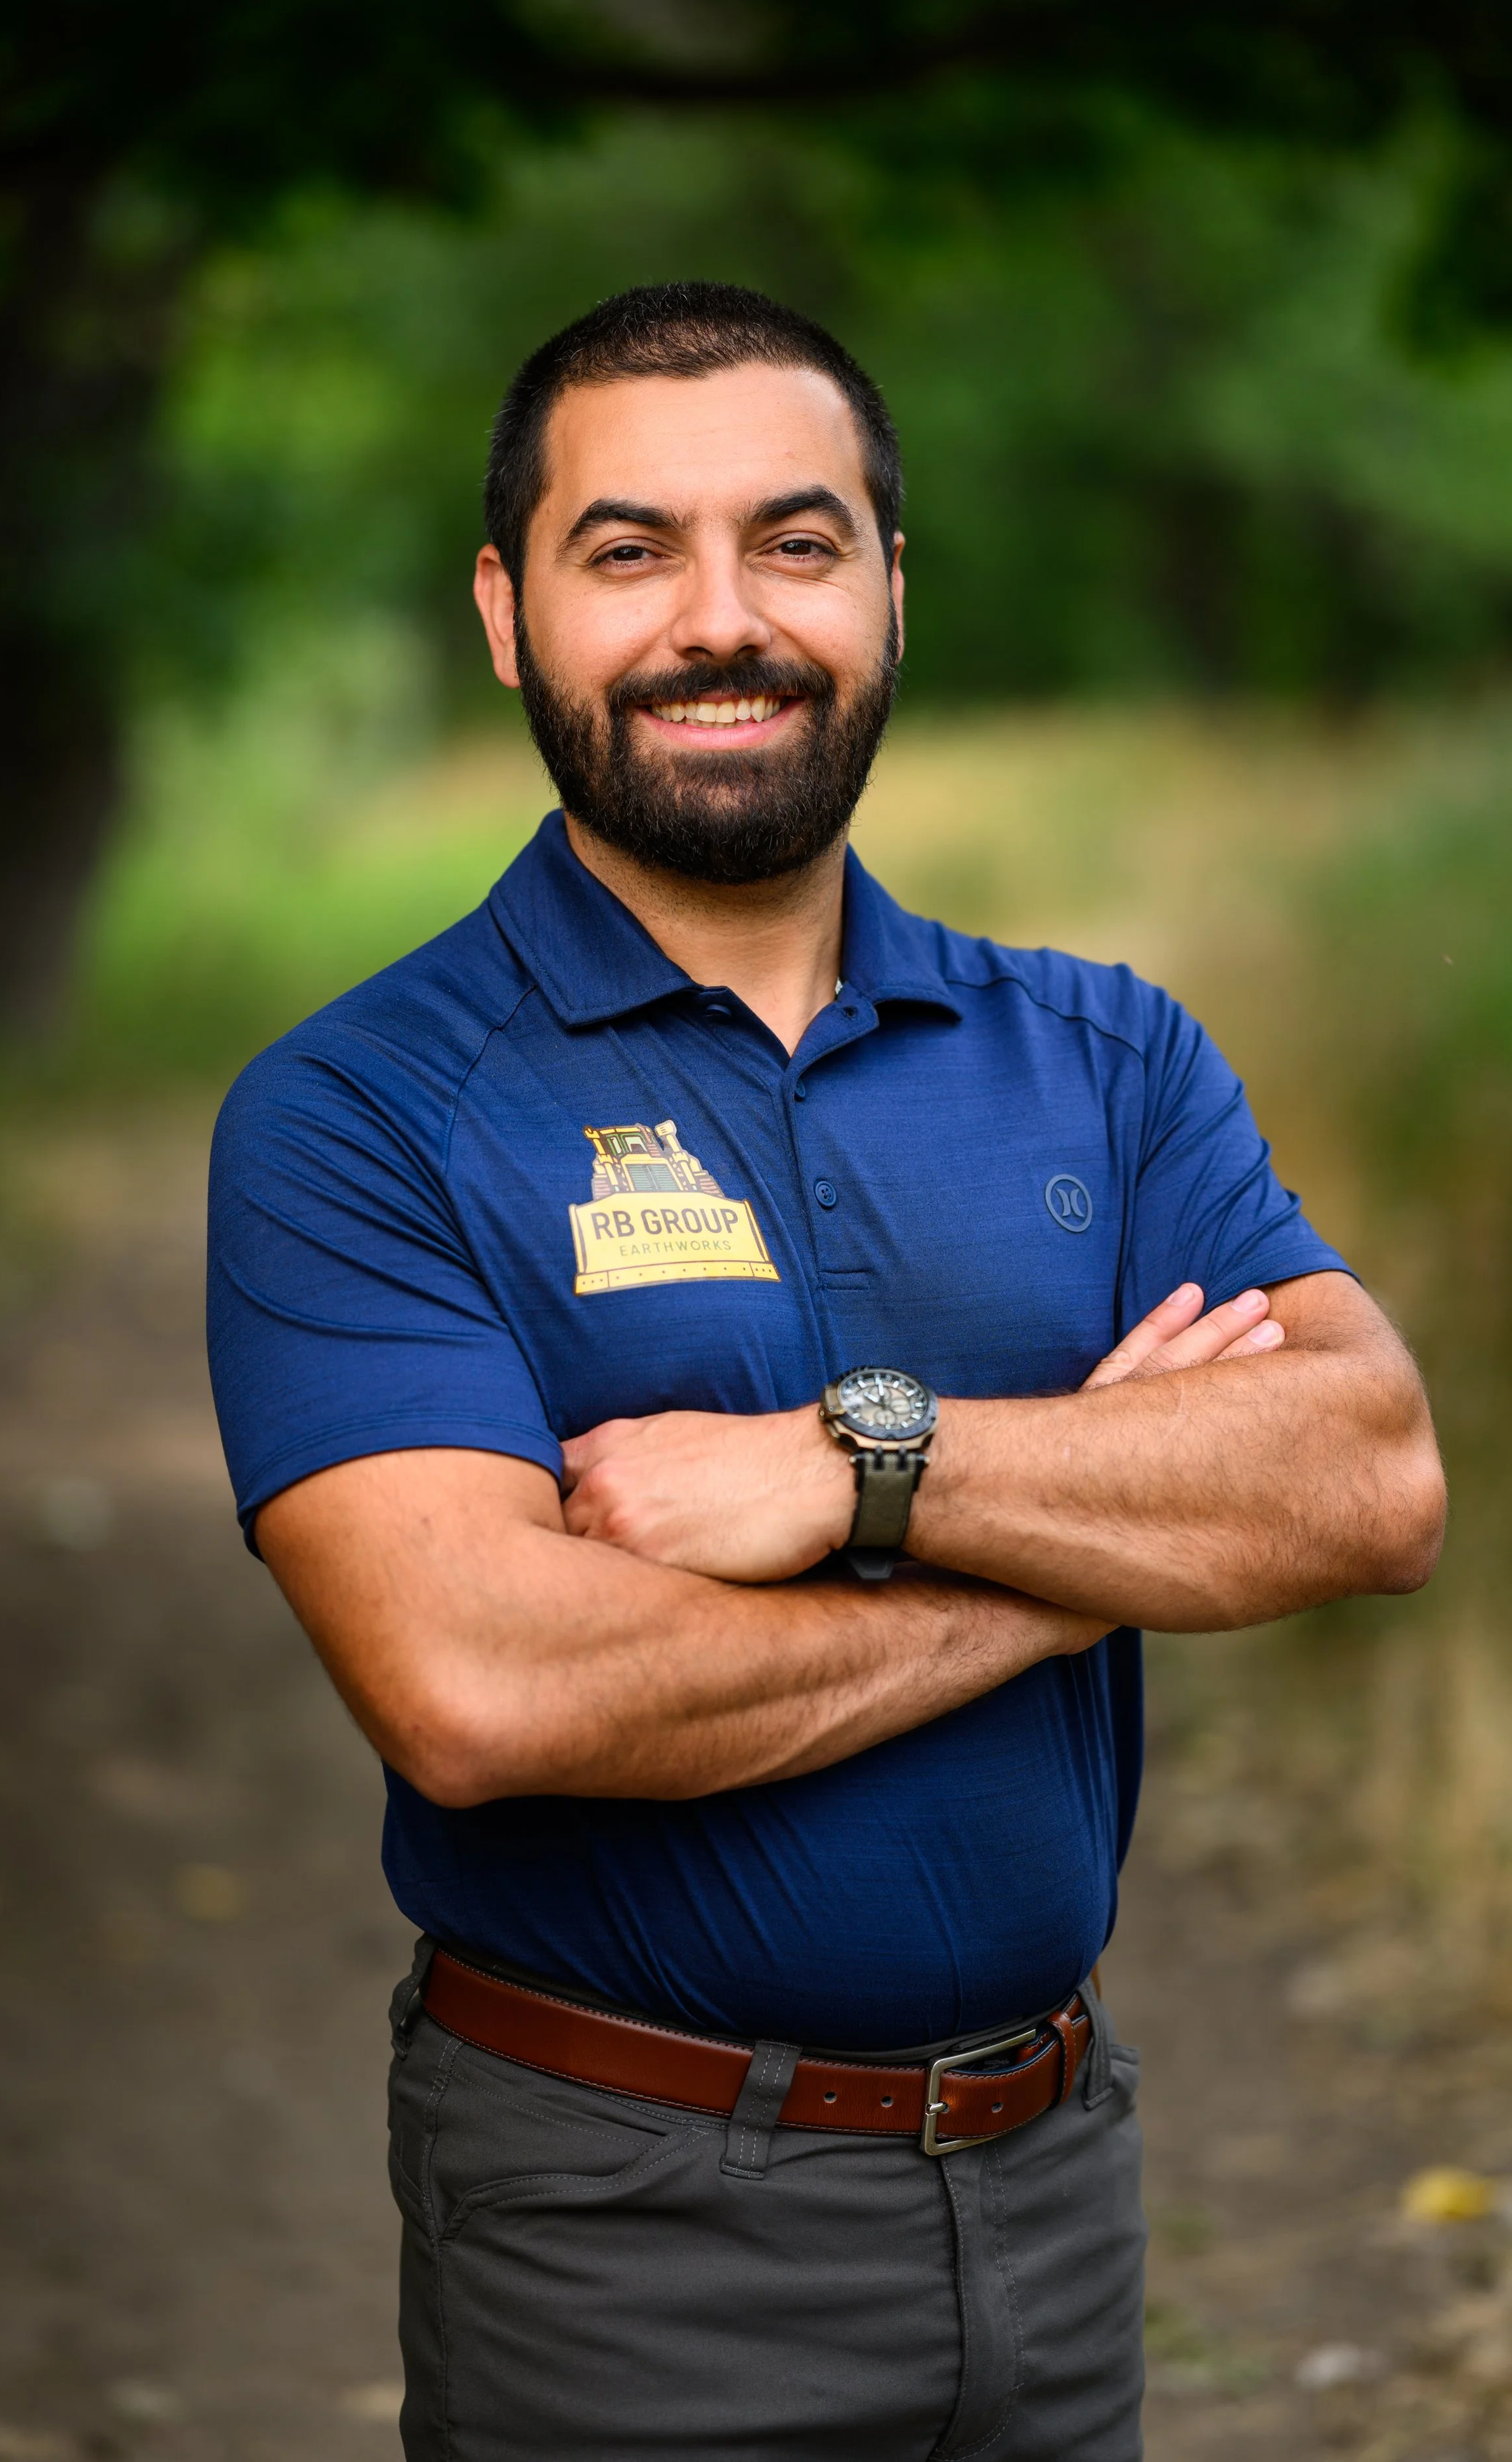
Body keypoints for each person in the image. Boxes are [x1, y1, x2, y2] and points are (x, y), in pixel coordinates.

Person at [205, 282, 1445, 2461]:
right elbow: (485, 1683)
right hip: (621, 2226)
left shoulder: (1104, 1054)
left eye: (794, 541)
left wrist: (854, 1467)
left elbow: (1363, 1477)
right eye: (627, 550)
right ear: (506, 612)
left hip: (1058, 2194)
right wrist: (1099, 1537)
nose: (721, 619)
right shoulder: (358, 1114)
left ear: (889, 585)